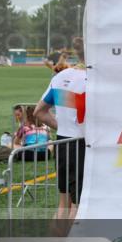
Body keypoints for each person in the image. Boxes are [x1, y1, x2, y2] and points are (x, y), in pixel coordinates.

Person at [35, 37, 87, 223]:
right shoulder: (94, 79)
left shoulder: (60, 76)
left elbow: (39, 112)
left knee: (63, 204)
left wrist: (64, 127)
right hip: (82, 145)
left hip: (62, 143)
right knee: (78, 206)